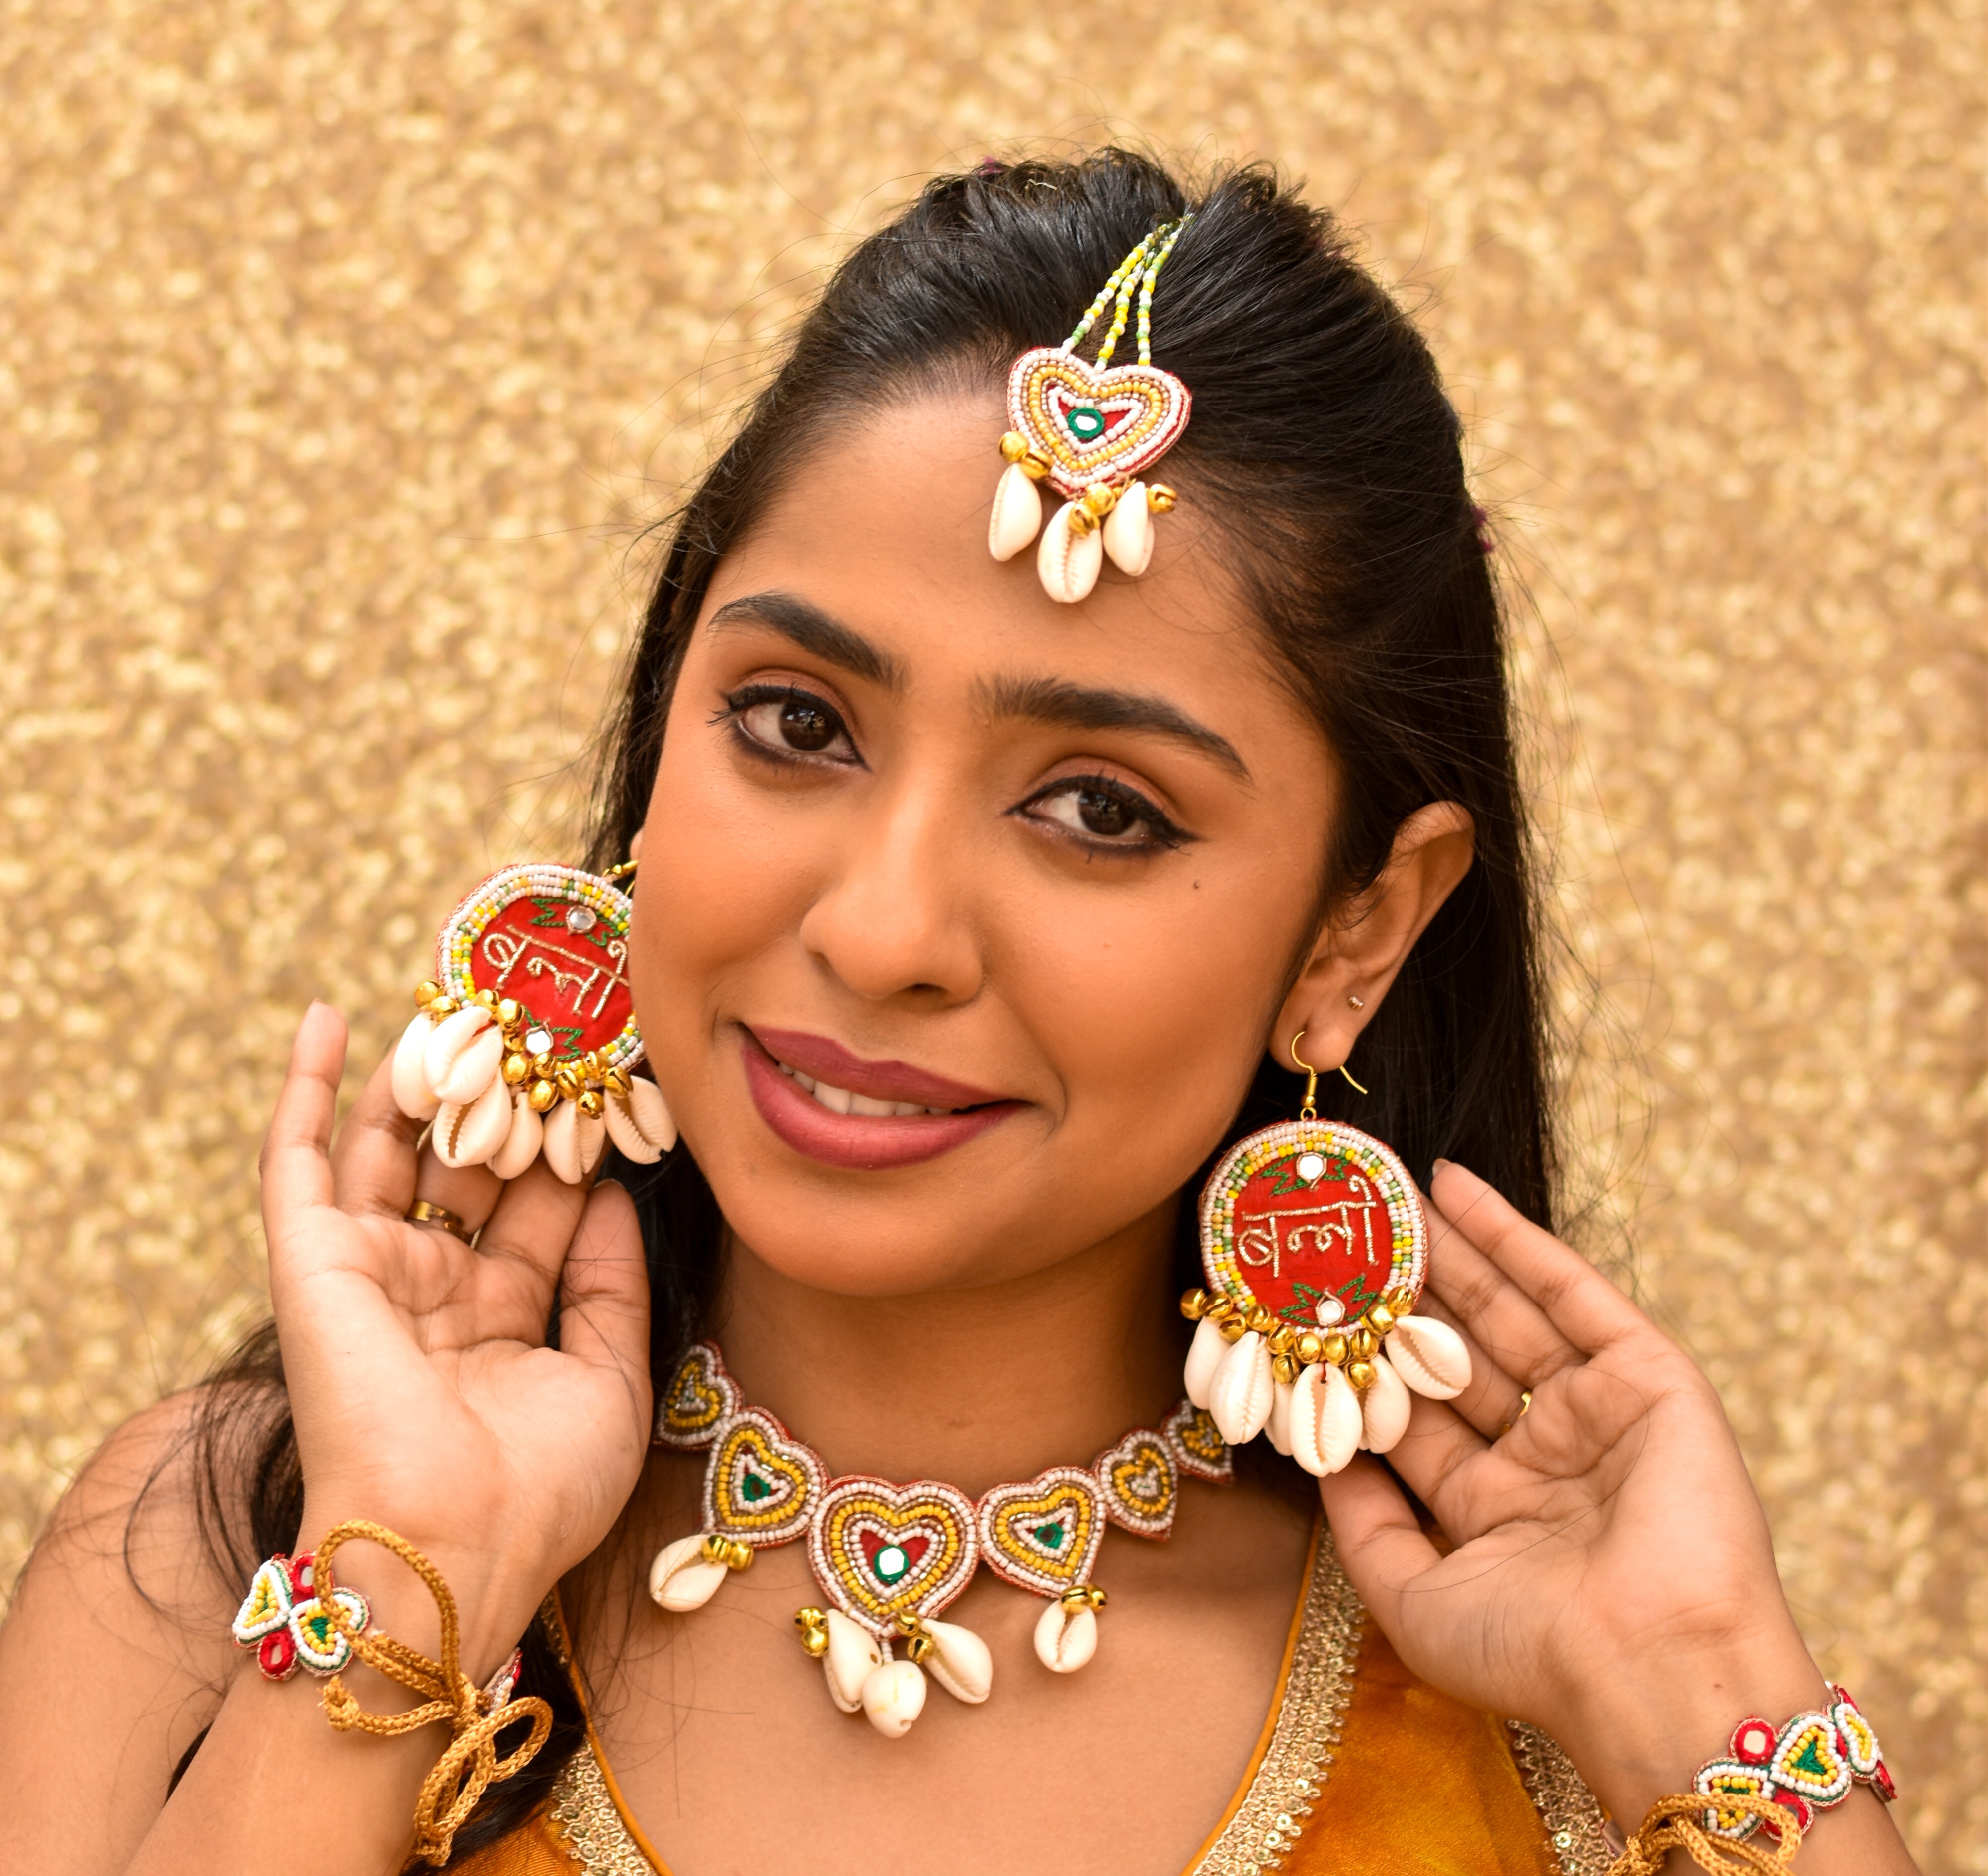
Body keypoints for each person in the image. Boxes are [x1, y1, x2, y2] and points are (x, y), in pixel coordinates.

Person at [0, 151, 1917, 1876]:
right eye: (796, 725)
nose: (887, 926)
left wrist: (1708, 1697)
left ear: (1360, 927)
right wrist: (402, 1596)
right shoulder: (214, 1558)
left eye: (1101, 808)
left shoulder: (1561, 1715)